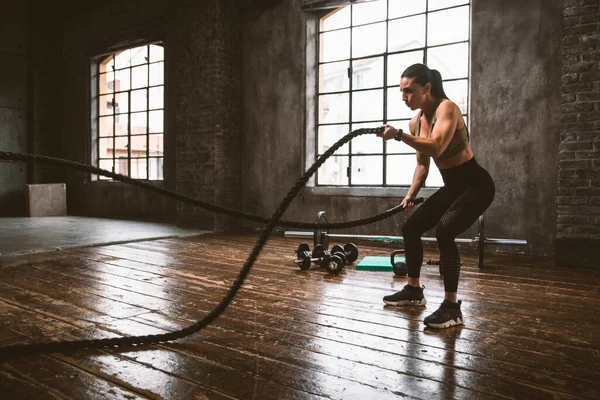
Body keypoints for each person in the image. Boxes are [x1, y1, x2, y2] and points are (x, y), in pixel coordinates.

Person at [377, 63, 495, 329]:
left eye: (409, 91)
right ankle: (413, 291)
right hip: (453, 187)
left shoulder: (447, 108)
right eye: (402, 92)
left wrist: (398, 136)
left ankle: (452, 308)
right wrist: (409, 196)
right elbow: (422, 165)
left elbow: (438, 146)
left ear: (427, 88)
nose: (404, 97)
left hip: (476, 185)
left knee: (444, 232)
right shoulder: (415, 122)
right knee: (411, 228)